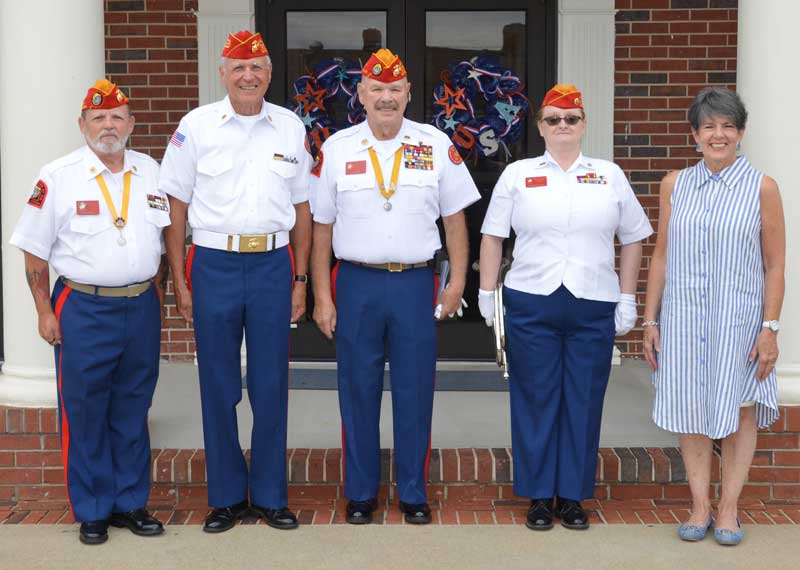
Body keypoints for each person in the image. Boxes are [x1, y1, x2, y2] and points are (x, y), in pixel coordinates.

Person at [310, 48, 480, 525]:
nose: (386, 98)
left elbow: (455, 220)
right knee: (356, 389)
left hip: (414, 283)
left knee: (414, 389)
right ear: (361, 94)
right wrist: (322, 295)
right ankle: (361, 492)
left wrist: (457, 282)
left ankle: (413, 491)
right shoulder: (338, 148)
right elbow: (321, 228)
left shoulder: (434, 144)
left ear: (408, 94)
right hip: (356, 282)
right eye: (376, 89)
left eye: (395, 90)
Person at [478, 84, 653, 531]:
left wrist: (627, 296)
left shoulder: (609, 174)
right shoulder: (517, 173)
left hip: (592, 300)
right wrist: (485, 293)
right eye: (553, 119)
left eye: (571, 119)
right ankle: (539, 496)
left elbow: (633, 235)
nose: (562, 126)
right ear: (539, 127)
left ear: (583, 125)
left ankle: (572, 496)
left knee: (583, 399)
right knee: (535, 398)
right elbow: (493, 236)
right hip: (531, 298)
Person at [158, 31, 312, 533]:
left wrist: (300, 278)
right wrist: (180, 280)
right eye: (239, 68)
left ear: (269, 74)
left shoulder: (290, 127)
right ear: (222, 73)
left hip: (272, 265)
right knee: (217, 384)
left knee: (271, 385)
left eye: (259, 68)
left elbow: (302, 208)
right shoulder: (195, 126)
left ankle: (270, 496)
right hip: (214, 265)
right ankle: (225, 496)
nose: (249, 76)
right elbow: (175, 207)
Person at [10, 80, 169, 545]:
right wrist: (44, 311)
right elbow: (34, 253)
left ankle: (131, 503)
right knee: (84, 409)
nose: (108, 125)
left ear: (132, 125)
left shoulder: (151, 171)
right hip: (82, 306)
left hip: (140, 306)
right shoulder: (57, 176)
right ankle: (94, 508)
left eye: (117, 117)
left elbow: (160, 240)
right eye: (98, 118)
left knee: (134, 406)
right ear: (82, 125)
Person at [642, 87, 785, 546]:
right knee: (690, 410)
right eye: (709, 126)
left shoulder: (762, 187)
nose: (718, 134)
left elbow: (775, 264)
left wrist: (770, 327)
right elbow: (661, 255)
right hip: (683, 318)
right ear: (695, 135)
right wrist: (650, 319)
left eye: (727, 126)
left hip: (739, 322)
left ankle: (729, 510)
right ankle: (699, 505)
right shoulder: (674, 184)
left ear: (740, 133)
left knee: (740, 411)